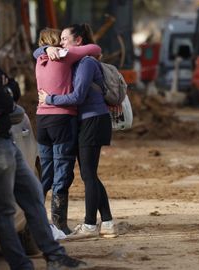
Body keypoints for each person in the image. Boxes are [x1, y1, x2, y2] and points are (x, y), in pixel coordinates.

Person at [0, 2, 88, 269]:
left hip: (5, 138)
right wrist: (2, 91)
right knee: (5, 209)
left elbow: (12, 89)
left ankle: (53, 256)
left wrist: (2, 90)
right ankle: (25, 262)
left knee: (31, 196)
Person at [38, 24, 117, 239]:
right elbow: (38, 51)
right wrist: (45, 50)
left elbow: (78, 97)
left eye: (64, 39)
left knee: (88, 174)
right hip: (88, 121)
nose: (61, 43)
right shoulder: (76, 60)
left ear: (78, 41)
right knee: (90, 174)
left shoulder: (86, 63)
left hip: (93, 120)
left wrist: (50, 99)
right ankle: (107, 221)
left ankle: (90, 224)